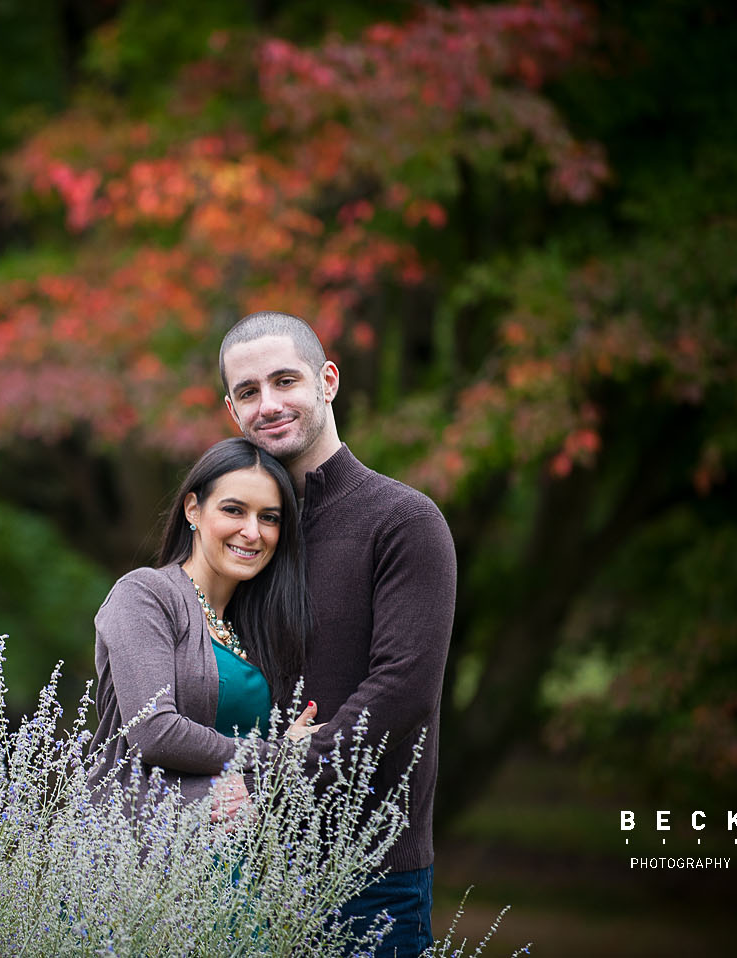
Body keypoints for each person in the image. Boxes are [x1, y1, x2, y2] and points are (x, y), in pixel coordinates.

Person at [217, 310, 457, 958]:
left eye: (284, 380)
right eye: (247, 392)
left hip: (369, 877)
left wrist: (266, 778)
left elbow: (402, 691)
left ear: (327, 380)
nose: (268, 404)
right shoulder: (248, 536)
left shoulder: (404, 521)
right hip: (238, 873)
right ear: (231, 410)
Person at [88, 437, 321, 809]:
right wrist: (278, 755)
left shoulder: (256, 625)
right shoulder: (145, 595)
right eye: (234, 510)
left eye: (269, 517)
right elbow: (153, 732)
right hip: (153, 852)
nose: (252, 531)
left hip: (241, 852)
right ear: (193, 510)